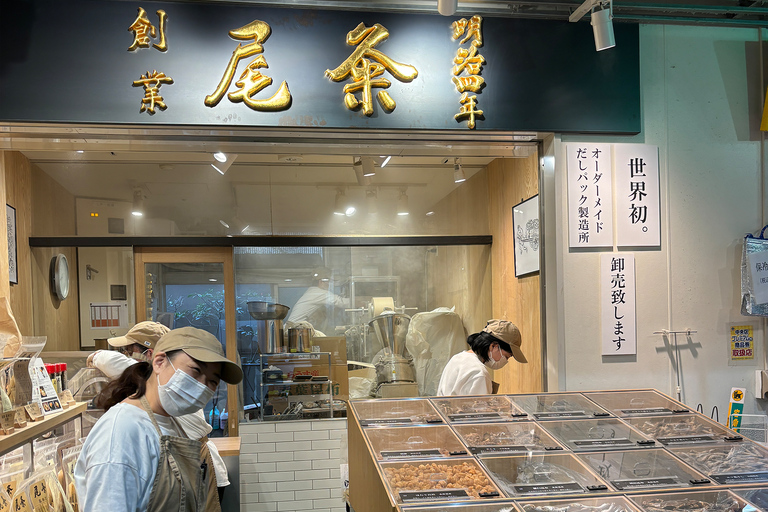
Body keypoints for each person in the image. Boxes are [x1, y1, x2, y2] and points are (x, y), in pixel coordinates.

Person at [75, 326, 243, 512]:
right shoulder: (122, 432)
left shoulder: (172, 420)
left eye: (212, 381)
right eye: (195, 370)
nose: (201, 386)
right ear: (159, 362)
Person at [437, 319, 527, 396]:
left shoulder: (457, 358)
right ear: (494, 346)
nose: (505, 361)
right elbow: (480, 414)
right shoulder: (479, 373)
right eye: (507, 357)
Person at [286, 268, 348, 334]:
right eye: (328, 281)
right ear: (321, 282)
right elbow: (342, 302)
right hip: (294, 330)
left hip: (294, 329)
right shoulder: (318, 293)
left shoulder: (313, 292)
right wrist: (358, 301)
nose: (329, 284)